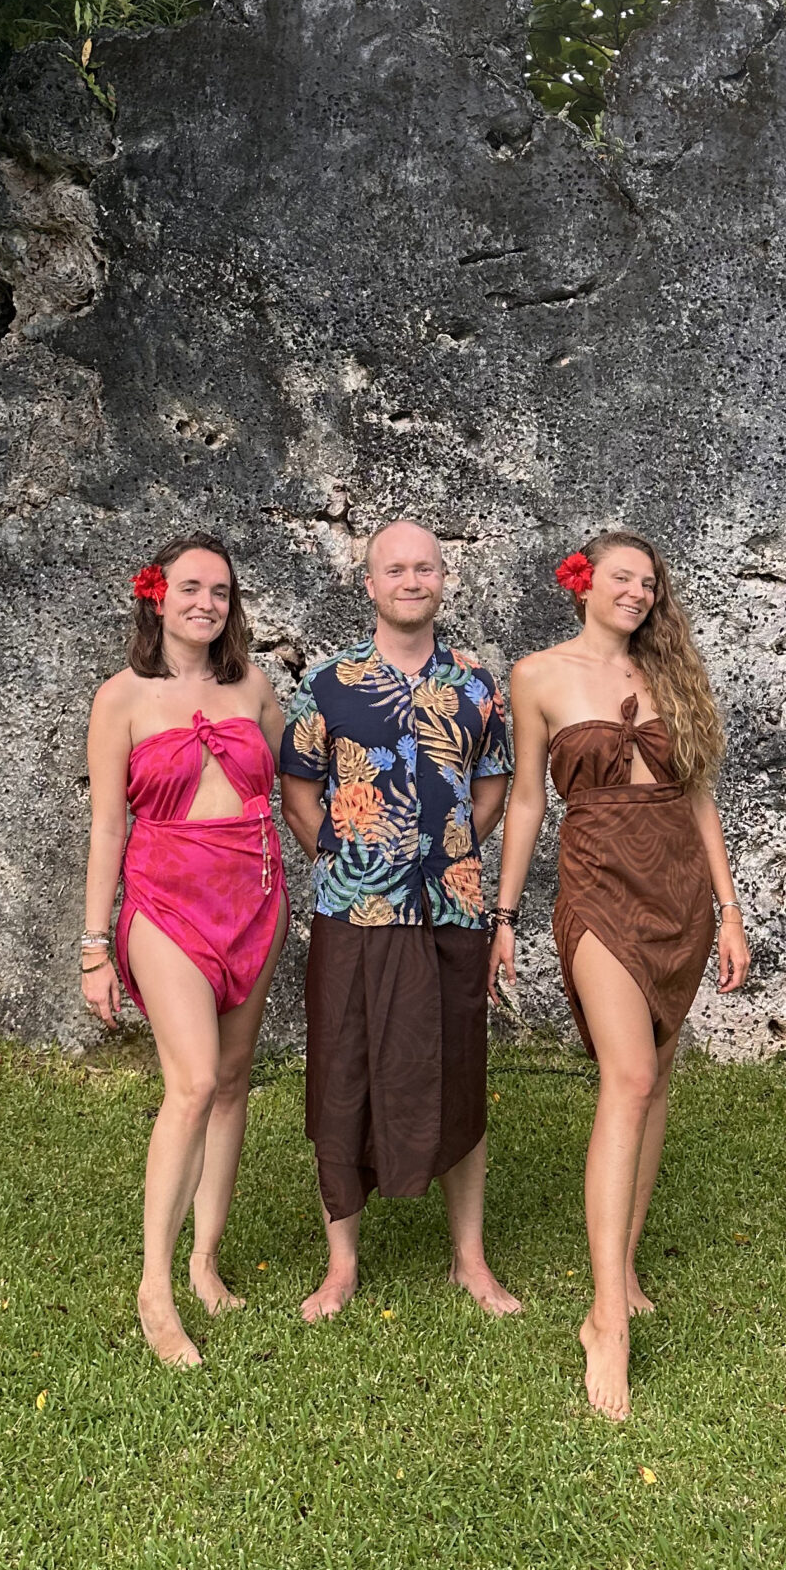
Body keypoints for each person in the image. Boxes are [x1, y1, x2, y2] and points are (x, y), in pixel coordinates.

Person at [490, 531, 750, 1422]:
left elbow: (699, 795)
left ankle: (625, 1265)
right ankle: (605, 1318)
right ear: (584, 582)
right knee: (628, 1075)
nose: (637, 592)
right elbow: (529, 800)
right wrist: (503, 916)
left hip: (678, 886)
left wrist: (728, 908)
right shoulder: (537, 676)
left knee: (658, 1076)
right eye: (622, 578)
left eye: (649, 582)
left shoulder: (674, 673)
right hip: (598, 883)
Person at [278, 520, 520, 1324]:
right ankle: (341, 1264)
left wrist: (449, 851)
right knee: (342, 1070)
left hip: (453, 907)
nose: (411, 581)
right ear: (370, 584)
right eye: (396, 570)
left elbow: (493, 785)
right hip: (354, 910)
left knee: (459, 1067)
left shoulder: (477, 685)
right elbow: (298, 791)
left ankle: (468, 1258)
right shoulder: (328, 684)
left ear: (442, 578)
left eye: (425, 568)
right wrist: (349, 857)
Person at [81, 533, 288, 1369]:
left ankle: (205, 1261)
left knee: (233, 1081)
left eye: (221, 591)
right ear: (157, 596)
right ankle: (155, 1288)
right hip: (166, 902)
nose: (207, 603)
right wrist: (94, 947)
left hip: (256, 897)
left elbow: (292, 791)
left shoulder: (255, 688)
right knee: (195, 1081)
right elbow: (107, 826)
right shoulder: (121, 698)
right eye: (192, 587)